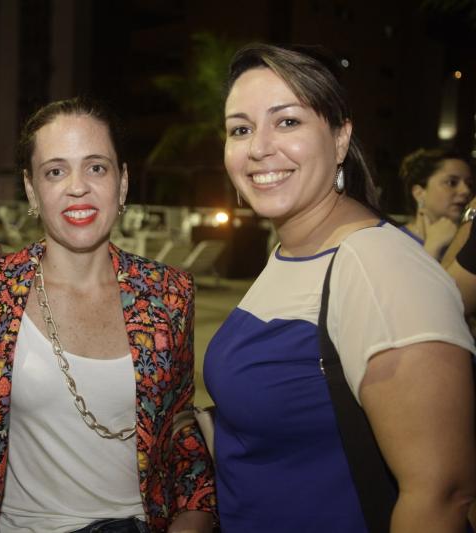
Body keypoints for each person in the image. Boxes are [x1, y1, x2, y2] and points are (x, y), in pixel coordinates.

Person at [203, 43, 476, 532]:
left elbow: (441, 496)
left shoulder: (379, 267)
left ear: (340, 137)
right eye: (241, 129)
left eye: (287, 122)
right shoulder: (292, 251)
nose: (259, 147)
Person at [0, 97, 216, 533]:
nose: (77, 187)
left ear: (123, 182)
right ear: (31, 189)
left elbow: (179, 422)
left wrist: (196, 515)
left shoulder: (169, 294)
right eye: (55, 171)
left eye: (96, 167)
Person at [398, 147, 472, 260]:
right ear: (419, 193)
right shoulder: (396, 240)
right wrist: (432, 248)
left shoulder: (466, 243)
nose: (466, 191)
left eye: (469, 184)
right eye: (452, 182)